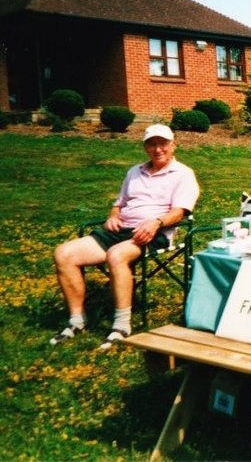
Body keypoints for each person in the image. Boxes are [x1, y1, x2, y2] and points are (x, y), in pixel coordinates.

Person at [50, 124, 200, 350]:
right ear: (145, 147)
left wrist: (156, 222)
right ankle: (76, 320)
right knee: (64, 253)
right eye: (152, 143)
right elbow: (119, 204)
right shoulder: (134, 172)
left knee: (116, 255)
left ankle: (121, 325)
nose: (157, 149)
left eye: (163, 143)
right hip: (119, 230)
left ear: (173, 145)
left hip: (155, 232)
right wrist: (112, 215)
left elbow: (179, 211)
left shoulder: (183, 174)